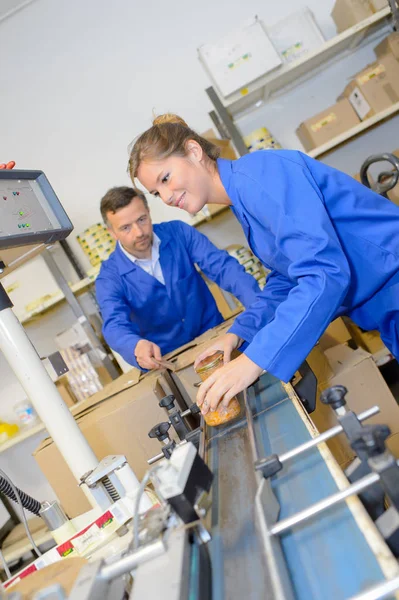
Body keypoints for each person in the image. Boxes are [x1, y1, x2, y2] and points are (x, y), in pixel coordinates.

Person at [128, 113, 399, 415]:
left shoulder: (262, 176)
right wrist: (238, 333)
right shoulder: (243, 198)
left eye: (165, 179)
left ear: (194, 151)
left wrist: (255, 360)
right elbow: (287, 278)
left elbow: (324, 273)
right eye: (155, 193)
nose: (165, 197)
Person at [95, 186, 260, 370]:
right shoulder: (109, 277)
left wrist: (257, 308)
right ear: (111, 232)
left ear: (149, 212)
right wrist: (135, 346)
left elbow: (224, 268)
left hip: (216, 339)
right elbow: (114, 324)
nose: (139, 232)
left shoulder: (179, 232)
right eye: (126, 228)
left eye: (142, 220)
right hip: (170, 362)